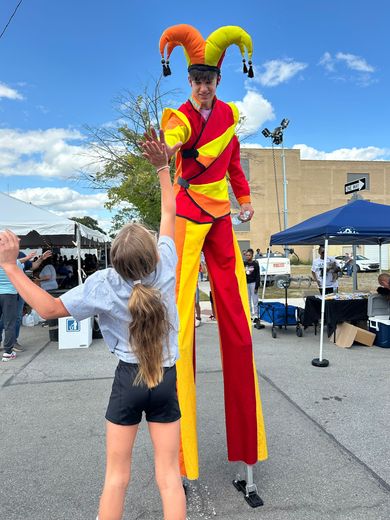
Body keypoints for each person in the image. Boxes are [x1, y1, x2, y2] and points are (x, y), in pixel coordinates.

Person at [0, 128, 186, 520]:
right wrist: (162, 167)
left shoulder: (104, 284)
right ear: (153, 254)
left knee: (116, 478)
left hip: (127, 381)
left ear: (115, 262)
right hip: (166, 379)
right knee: (169, 478)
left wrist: (8, 267)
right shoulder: (167, 264)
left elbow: (48, 309)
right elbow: (170, 213)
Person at [159, 24, 267, 480]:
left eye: (210, 79)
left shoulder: (228, 118)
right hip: (187, 214)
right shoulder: (181, 115)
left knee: (238, 324)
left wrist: (244, 202)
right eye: (196, 79)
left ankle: (246, 452)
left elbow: (234, 166)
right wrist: (170, 145)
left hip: (220, 216)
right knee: (180, 325)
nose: (203, 86)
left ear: (219, 81)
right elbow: (174, 136)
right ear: (189, 81)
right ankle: (181, 457)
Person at [244, 248, 260, 319]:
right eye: (246, 255)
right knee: (247, 300)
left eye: (249, 255)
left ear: (252, 255)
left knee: (255, 300)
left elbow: (258, 276)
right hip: (246, 284)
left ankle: (256, 314)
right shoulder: (244, 263)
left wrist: (256, 286)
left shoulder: (255, 264)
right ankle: (249, 314)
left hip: (253, 284)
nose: (247, 256)